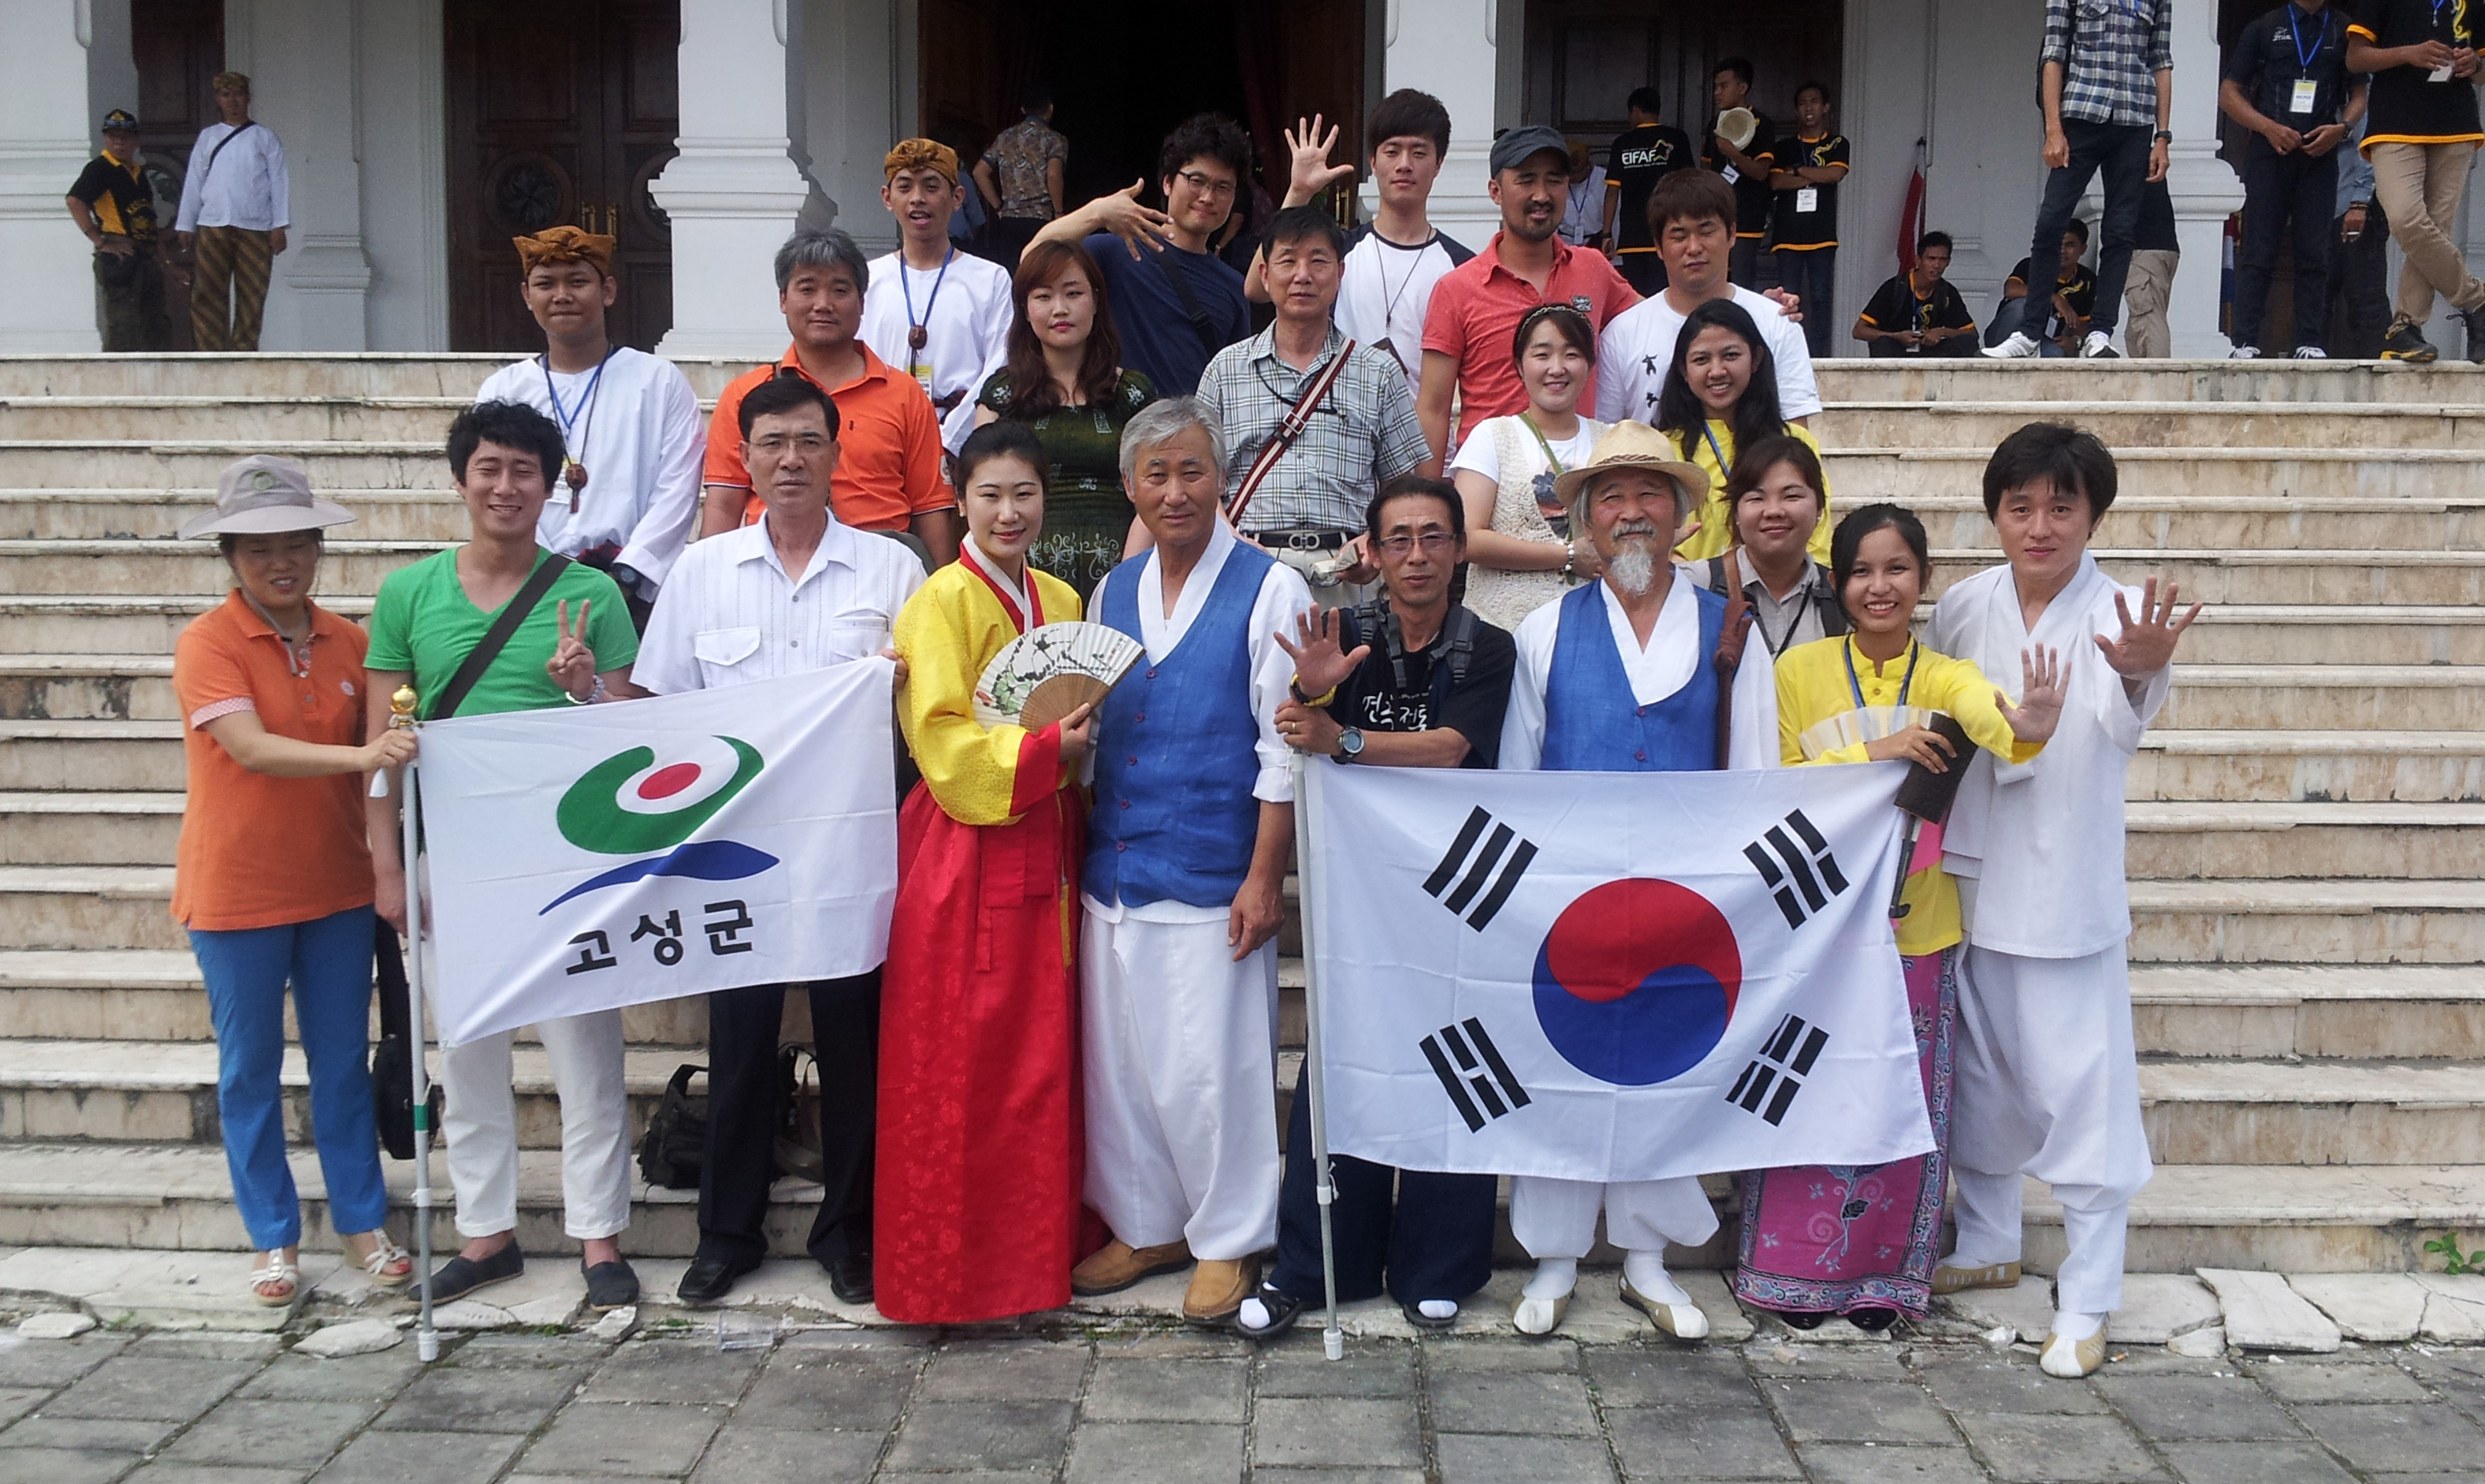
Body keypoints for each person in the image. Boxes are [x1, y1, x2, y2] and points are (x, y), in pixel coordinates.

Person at [636, 374, 927, 1307]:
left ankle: (852, 1231)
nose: (791, 458)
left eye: (809, 440)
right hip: (738, 846)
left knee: (855, 1045)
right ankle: (728, 1231)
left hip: (853, 844)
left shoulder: (892, 571)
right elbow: (662, 712)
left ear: (839, 452)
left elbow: (928, 713)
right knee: (741, 1042)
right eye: (772, 443)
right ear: (747, 457)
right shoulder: (702, 571)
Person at [1737, 503, 2064, 1332]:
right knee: (1809, 1087)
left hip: (1918, 925)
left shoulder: (1946, 675)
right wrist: (1873, 752)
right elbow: (1775, 779)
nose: (1879, 586)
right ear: (1837, 582)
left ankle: (1887, 1274)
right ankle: (1791, 1270)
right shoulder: (1796, 671)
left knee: (1903, 1095)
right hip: (1817, 932)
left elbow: (1994, 717)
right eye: (1861, 571)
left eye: (1897, 569)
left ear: (1923, 578)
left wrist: (2025, 727)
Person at [1923, 422, 2199, 1380]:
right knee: (1982, 1077)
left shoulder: (2123, 609)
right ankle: (1988, 1234)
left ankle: (2088, 1294)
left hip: (2067, 890)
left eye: (2062, 506)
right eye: (2021, 505)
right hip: (1970, 877)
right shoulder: (1962, 604)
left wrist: (2138, 666)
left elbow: (2127, 717)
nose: (2040, 525)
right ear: (1996, 513)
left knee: (2085, 1098)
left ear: (2093, 516)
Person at [1497, 422, 1776, 1340]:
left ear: (1684, 516)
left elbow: (1758, 776)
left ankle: (1651, 1260)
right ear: (1584, 517)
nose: (1630, 513)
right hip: (1573, 897)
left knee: (1665, 1066)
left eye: (1649, 494)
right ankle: (1552, 1255)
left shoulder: (1730, 627)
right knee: (1563, 1062)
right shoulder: (1544, 629)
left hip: (1687, 900)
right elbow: (1519, 773)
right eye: (1610, 496)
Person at [364, 401, 643, 1311]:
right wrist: (387, 868)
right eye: (489, 467)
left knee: (586, 1053)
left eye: (525, 469)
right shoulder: (410, 594)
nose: (505, 485)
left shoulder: (591, 595)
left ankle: (599, 1232)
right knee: (469, 1048)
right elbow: (381, 746)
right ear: (461, 479)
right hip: (452, 851)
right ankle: (486, 1229)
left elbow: (632, 740)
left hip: (568, 860)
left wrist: (583, 687)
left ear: (552, 483)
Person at [1238, 475, 1516, 1341]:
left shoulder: (1489, 648)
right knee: (1341, 1064)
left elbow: (1450, 748)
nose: (1418, 555)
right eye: (1399, 538)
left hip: (1457, 896)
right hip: (1358, 891)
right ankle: (1316, 1263)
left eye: (1436, 536)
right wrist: (1317, 695)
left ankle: (1439, 1264)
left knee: (1457, 1065)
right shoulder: (1342, 634)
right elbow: (1296, 731)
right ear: (1374, 551)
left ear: (1461, 550)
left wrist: (1345, 736)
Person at [1072, 398, 1315, 1324]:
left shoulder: (1269, 587)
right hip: (1116, 871)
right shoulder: (1111, 592)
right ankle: (1147, 1223)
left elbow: (1279, 746)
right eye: (1156, 475)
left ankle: (1227, 1237)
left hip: (1214, 872)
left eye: (1193, 471)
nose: (1175, 491)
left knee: (1212, 1073)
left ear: (1223, 479)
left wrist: (1264, 877)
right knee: (1125, 1068)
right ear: (1131, 486)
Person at [173, 456, 418, 1308]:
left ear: (319, 548)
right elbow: (249, 747)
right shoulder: (207, 642)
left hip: (340, 889)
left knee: (343, 1063)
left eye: (297, 545)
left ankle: (361, 1222)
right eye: (258, 548)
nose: (281, 562)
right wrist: (362, 754)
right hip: (236, 893)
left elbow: (399, 738)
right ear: (231, 556)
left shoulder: (351, 641)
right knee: (249, 1068)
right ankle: (273, 1236)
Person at [875, 422, 1089, 1322]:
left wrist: (1065, 755)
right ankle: (947, 1277)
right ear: (959, 499)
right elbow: (942, 734)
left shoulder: (1063, 598)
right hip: (963, 848)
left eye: (1025, 494)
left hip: (1052, 836)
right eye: (990, 494)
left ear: (1046, 501)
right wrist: (1043, 750)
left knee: (1042, 1062)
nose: (1009, 512)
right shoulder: (939, 602)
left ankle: (1038, 1263)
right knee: (960, 1059)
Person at [1198, 207, 1432, 605]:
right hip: (1244, 568)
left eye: (1318, 261)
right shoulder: (1225, 370)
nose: (1303, 275)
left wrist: (1373, 544)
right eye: (1288, 260)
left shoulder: (1378, 372)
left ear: (1340, 274)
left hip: (1345, 574)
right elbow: (1198, 475)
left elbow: (1404, 487)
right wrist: (1228, 542)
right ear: (1265, 276)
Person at [474, 227, 703, 630]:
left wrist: (629, 575)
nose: (562, 295)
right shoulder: (504, 389)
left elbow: (678, 491)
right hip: (528, 587)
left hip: (631, 592)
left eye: (578, 281)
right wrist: (538, 572)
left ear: (608, 291)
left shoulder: (658, 381)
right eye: (546, 284)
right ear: (527, 296)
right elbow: (491, 483)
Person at [698, 230, 957, 567]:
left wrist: (942, 592)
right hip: (774, 566)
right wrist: (710, 581)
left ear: (862, 302)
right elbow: (723, 505)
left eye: (840, 290)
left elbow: (930, 507)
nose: (823, 304)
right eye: (807, 289)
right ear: (783, 300)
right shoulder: (746, 395)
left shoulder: (904, 394)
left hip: (882, 569)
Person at [1418, 125, 1639, 469]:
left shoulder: (1593, 268)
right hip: (1492, 488)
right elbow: (1433, 408)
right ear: (1495, 191)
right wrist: (1427, 506)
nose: (1541, 194)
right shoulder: (1457, 288)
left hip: (1582, 485)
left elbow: (1655, 320)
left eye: (1554, 180)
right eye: (1526, 179)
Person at [1247, 94, 1472, 402]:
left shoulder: (1462, 267)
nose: (1404, 165)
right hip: (1344, 433)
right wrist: (1299, 192)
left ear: (1439, 164)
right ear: (1373, 161)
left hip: (1427, 441)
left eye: (1419, 153)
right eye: (1392, 151)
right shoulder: (1340, 252)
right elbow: (1257, 289)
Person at [1986, 0, 2171, 360]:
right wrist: (2053, 129)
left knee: (2120, 232)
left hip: (2135, 121)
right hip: (2081, 114)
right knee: (2051, 221)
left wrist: (2162, 136)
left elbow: (2161, 60)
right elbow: (2053, 54)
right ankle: (2029, 333)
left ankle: (2100, 332)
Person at [973, 239, 1159, 595]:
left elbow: (1155, 488)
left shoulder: (1134, 394)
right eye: (1044, 296)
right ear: (1025, 310)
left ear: (1096, 301)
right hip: (1022, 580)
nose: (1060, 309)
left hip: (1128, 574)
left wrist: (1127, 577)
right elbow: (984, 493)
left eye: (1073, 293)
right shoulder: (1002, 396)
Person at [1032, 114, 1254, 396]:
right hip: (1115, 429)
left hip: (1190, 434)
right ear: (1167, 183)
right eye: (1196, 181)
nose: (1208, 197)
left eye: (1223, 187)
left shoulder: (1234, 286)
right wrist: (1097, 212)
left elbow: (1237, 385)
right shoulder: (1111, 252)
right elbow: (1033, 258)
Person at [1594, 170, 1820, 433]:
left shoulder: (1776, 322)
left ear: (1732, 234)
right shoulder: (1622, 334)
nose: (1694, 247)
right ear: (1658, 246)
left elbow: (1797, 435)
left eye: (1706, 231)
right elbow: (1606, 437)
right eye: (1679, 235)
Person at [1449, 304, 1610, 630]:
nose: (1557, 368)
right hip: (1502, 629)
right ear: (1519, 366)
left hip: (1593, 627)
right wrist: (1566, 556)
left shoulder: (1610, 440)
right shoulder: (1492, 436)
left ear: (1590, 366)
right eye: (1542, 355)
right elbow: (1468, 538)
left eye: (1572, 354)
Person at [2222, 0, 2363, 360]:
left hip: (2320, 153)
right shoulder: (2265, 26)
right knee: (2259, 248)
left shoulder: (2344, 29)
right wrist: (2266, 127)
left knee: (2315, 251)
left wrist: (2342, 128)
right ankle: (2245, 340)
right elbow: (2229, 93)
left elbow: (2360, 94)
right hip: (2271, 152)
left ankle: (2309, 340)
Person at [2347, 0, 2485, 363]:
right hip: (2394, 122)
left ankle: (2405, 327)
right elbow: (2356, 58)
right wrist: (2410, 53)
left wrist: (2476, 64)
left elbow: (2482, 68)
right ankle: (2477, 300)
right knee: (2407, 219)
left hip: (2455, 125)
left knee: (2436, 230)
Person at [1653, 298, 1832, 568]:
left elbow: (1818, 533)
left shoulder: (1795, 441)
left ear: (1756, 358)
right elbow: (1655, 542)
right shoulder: (1664, 449)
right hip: (1695, 596)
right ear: (1684, 370)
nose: (1717, 371)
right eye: (1701, 360)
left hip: (1785, 595)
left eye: (1731, 356)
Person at [863, 140, 1014, 454]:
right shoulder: (866, 280)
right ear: (887, 198)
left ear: (958, 198)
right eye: (905, 187)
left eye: (932, 187)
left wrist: (950, 440)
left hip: (967, 443)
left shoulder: (990, 279)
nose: (918, 198)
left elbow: (1000, 366)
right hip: (880, 440)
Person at [1685, 433, 1848, 658]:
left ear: (1820, 508)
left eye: (1791, 496)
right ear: (1736, 513)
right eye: (1756, 498)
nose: (1773, 511)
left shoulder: (1842, 598)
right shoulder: (1695, 584)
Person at [174, 71, 288, 353]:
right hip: (213, 224)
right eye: (226, 95)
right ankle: (211, 351)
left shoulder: (264, 138)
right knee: (208, 292)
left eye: (238, 95)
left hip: (256, 227)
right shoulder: (208, 137)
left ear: (247, 98)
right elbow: (194, 181)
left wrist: (280, 225)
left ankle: (244, 350)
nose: (233, 101)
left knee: (253, 293)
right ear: (218, 100)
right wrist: (186, 223)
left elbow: (279, 182)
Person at [65, 108, 171, 352]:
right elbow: (75, 201)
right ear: (105, 138)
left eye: (124, 137)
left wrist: (167, 264)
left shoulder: (138, 173)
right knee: (125, 329)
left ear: (136, 140)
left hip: (145, 255)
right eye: (113, 136)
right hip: (120, 256)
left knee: (156, 328)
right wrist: (100, 242)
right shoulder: (99, 168)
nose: (119, 142)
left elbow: (150, 222)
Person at [1769, 82, 1850, 359]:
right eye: (1803, 102)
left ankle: (1818, 357)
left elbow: (1835, 175)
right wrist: (1814, 174)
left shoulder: (1837, 143)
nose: (1808, 107)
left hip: (1821, 235)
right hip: (1787, 235)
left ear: (1826, 107)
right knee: (1787, 299)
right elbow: (1776, 181)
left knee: (1820, 299)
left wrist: (1797, 172)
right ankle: (1788, 354)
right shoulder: (1785, 147)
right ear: (1796, 110)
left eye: (1814, 101)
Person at [1603, 87, 1695, 294]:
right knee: (1667, 293)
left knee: (1636, 298)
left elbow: (1612, 192)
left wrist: (1606, 233)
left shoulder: (1623, 143)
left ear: (1635, 110)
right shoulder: (1677, 138)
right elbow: (1689, 183)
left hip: (1632, 235)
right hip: (1669, 231)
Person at [976, 82, 1069, 267]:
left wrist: (999, 207)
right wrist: (1059, 212)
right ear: (1050, 108)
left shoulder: (1004, 138)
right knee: (1039, 273)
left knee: (1011, 276)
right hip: (1039, 218)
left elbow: (979, 172)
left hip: (1009, 221)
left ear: (1023, 109)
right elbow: (1053, 174)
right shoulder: (1054, 140)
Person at [1703, 59, 1777, 287]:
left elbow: (1761, 172)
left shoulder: (1762, 124)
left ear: (1742, 88)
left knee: (1743, 284)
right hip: (1717, 217)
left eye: (1724, 86)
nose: (1717, 93)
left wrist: (1733, 154)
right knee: (1714, 283)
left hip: (1748, 217)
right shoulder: (1715, 124)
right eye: (1716, 87)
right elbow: (1707, 169)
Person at [1854, 232, 1980, 357]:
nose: (1936, 265)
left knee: (1967, 343)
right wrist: (1896, 336)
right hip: (1896, 354)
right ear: (1918, 260)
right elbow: (1859, 331)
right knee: (1883, 343)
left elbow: (1972, 333)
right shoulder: (1895, 287)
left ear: (1948, 262)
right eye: (1931, 259)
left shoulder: (1947, 292)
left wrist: (1942, 332)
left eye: (1942, 260)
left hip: (1929, 354)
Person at [2326, 117, 2392, 359]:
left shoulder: (2367, 91)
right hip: (2327, 204)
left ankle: (2381, 373)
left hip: (2357, 206)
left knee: (2366, 297)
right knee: (2317, 297)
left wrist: (2359, 202)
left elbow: (2371, 148)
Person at [1985, 221, 2097, 358]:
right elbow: (2011, 290)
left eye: (2070, 245)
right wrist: (2055, 298)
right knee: (2022, 306)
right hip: (2005, 335)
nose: (2062, 250)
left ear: (2083, 249)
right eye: (2058, 244)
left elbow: (2081, 323)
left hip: (2041, 341)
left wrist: (2075, 341)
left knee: (2057, 354)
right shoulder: (2032, 265)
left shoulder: (2087, 279)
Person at [2122, 180, 2182, 359]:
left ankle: (2157, 380)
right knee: (2139, 327)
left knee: (2147, 323)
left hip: (2145, 250)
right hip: (2159, 248)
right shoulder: (2150, 158)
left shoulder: (2133, 156)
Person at [1561, 141, 1607, 248]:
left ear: (1588, 166)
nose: (1571, 178)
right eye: (1568, 173)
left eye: (1576, 173)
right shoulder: (1558, 181)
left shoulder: (1603, 180)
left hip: (1596, 241)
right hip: (1563, 240)